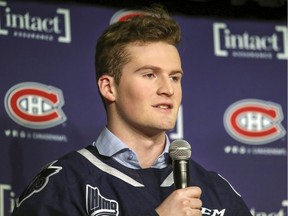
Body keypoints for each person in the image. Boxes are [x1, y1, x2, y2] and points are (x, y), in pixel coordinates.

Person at [12, 4, 252, 216]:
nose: (168, 89)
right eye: (149, 75)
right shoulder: (64, 184)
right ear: (109, 87)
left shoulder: (216, 191)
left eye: (175, 77)